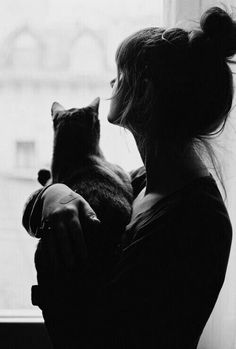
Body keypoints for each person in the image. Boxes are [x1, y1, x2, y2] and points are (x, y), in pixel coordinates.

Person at [23, 7, 234, 349]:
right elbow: (37, 212)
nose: (111, 85)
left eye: (120, 77)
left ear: (146, 93)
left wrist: (53, 268)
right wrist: (54, 195)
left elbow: (99, 337)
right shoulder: (139, 182)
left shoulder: (197, 223)